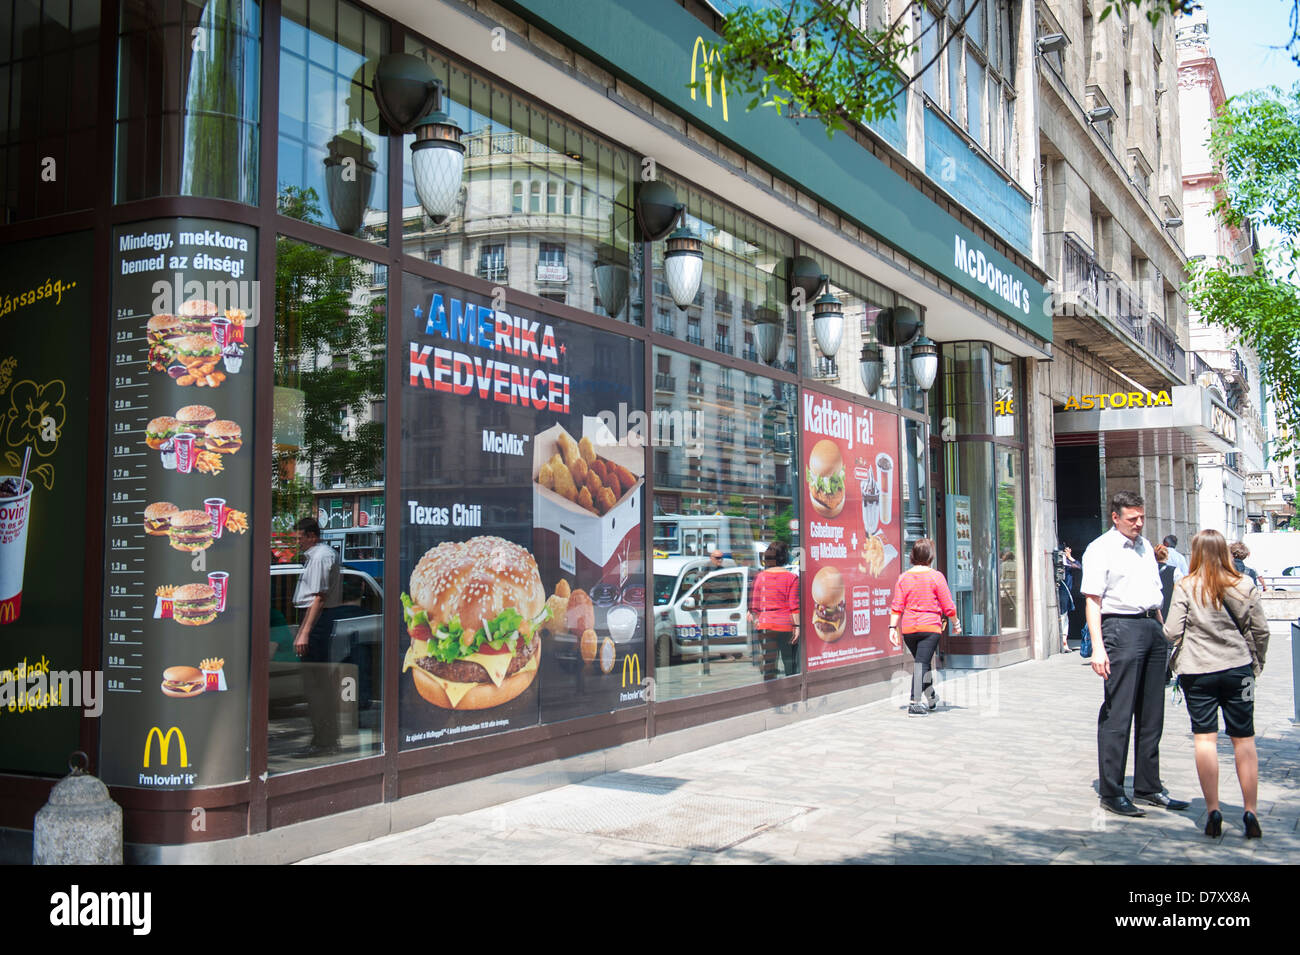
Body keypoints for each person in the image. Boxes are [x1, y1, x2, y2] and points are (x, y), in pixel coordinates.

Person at [1081, 491, 1190, 817]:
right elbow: (1093, 600)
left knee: (1152, 713)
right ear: (1115, 517)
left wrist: (1163, 631)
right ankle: (1112, 791)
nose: (1139, 523)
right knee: (1119, 712)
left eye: (1141, 517)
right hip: (1120, 628)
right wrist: (1098, 647)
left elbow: (1154, 593)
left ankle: (1148, 785)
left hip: (1151, 627)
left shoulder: (1145, 547)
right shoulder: (1100, 549)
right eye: (1132, 518)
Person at [1164, 530, 1269, 838]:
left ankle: (1213, 810)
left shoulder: (1186, 586)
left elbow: (1171, 632)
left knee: (1205, 740)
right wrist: (1257, 664)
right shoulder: (1244, 584)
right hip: (1239, 670)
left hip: (1198, 672)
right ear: (1224, 552)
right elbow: (1261, 630)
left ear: (1196, 553)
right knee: (1244, 739)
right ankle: (1250, 812)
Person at [888, 538, 960, 715]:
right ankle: (914, 703)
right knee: (921, 664)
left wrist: (892, 628)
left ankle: (932, 697)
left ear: (912, 555)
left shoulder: (903, 578)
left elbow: (897, 606)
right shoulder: (936, 577)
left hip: (909, 630)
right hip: (930, 628)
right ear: (930, 556)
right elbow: (948, 606)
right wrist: (956, 623)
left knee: (923, 663)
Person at [292, 517, 342, 757]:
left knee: (316, 684)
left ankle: (325, 741)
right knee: (315, 684)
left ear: (312, 536)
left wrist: (305, 631)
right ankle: (323, 738)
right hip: (313, 617)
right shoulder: (316, 556)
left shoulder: (321, 556)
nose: (298, 543)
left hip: (317, 619)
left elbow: (319, 598)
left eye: (300, 538)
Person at [748, 540, 799, 680]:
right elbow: (794, 606)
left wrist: (756, 623)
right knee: (789, 662)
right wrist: (797, 627)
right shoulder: (792, 578)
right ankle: (791, 689)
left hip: (765, 624)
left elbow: (754, 605)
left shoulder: (760, 577)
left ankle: (770, 690)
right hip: (785, 624)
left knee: (769, 663)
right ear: (784, 557)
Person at [1154, 543, 1177, 623]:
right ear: (1167, 556)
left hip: (1153, 612)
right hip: (1169, 607)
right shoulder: (1174, 571)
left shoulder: (1149, 570)